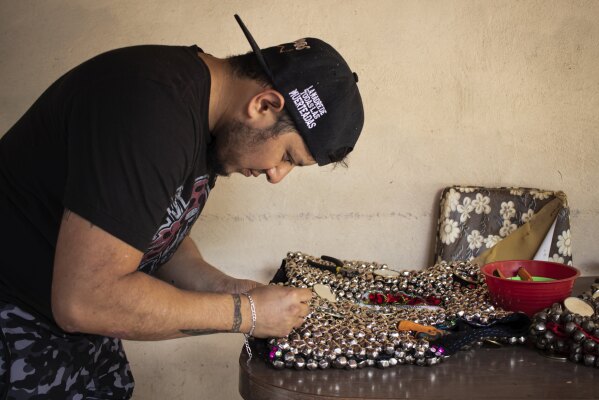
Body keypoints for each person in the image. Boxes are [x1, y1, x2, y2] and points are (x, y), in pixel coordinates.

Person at [0, 14, 364, 399]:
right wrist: (247, 314)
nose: (277, 175)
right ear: (263, 105)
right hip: (17, 325)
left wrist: (224, 287)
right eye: (287, 156)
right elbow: (84, 300)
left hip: (77, 333)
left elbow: (153, 226)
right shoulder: (150, 111)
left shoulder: (209, 120)